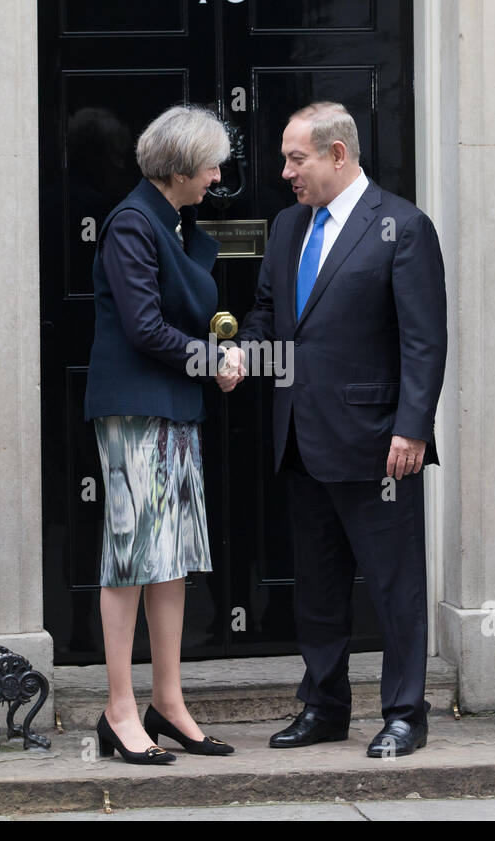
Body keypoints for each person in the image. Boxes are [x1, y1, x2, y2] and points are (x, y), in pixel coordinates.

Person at [230, 101, 447, 757]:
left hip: (379, 444)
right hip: (301, 437)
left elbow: (424, 340)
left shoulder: (403, 227)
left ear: (337, 154)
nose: (286, 171)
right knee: (318, 588)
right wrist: (242, 353)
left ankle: (406, 712)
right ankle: (324, 706)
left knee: (393, 585)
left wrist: (412, 427)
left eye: (296, 158)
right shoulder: (289, 225)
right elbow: (271, 315)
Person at [83, 104, 240, 764]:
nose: (217, 178)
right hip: (136, 410)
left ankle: (168, 702)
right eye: (211, 166)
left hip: (172, 407)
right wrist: (213, 361)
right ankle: (120, 709)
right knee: (130, 558)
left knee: (170, 559)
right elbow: (144, 327)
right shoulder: (131, 223)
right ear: (180, 167)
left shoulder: (169, 221)